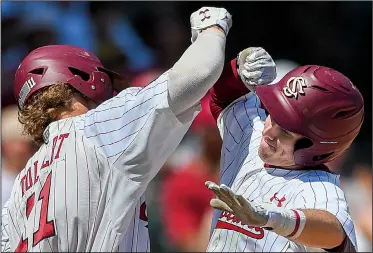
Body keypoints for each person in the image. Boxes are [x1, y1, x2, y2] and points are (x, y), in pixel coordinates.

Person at [1, 6, 233, 252]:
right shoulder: (96, 128)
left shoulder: (21, 183)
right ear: (84, 79)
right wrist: (212, 26)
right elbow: (198, 72)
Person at [203, 47, 363, 252]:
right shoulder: (252, 136)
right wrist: (238, 68)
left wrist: (276, 218)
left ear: (314, 149)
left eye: (286, 132)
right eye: (272, 115)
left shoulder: (318, 187)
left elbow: (335, 233)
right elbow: (223, 99)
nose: (269, 131)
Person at [1, 105, 36, 208]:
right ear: (4, 144)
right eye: (14, 141)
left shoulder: (38, 176)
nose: (20, 149)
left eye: (24, 143)